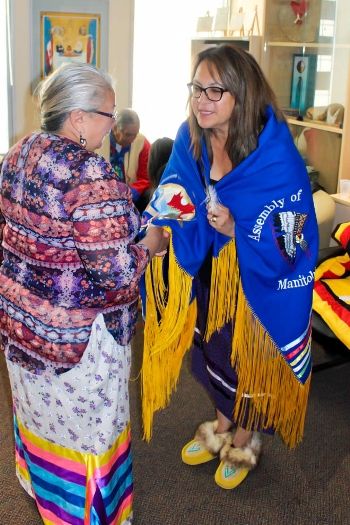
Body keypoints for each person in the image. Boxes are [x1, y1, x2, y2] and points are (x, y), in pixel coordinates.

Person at [140, 44, 319, 490]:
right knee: (211, 354)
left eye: (214, 90)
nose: (201, 98)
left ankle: (245, 438)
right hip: (208, 274)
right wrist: (157, 230)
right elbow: (174, 186)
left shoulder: (273, 155)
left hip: (257, 286)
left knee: (248, 362)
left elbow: (293, 235)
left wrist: (240, 229)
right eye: (197, 87)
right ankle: (221, 425)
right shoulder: (191, 135)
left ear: (241, 94)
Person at [0, 62, 168, 524]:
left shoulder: (19, 153)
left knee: (42, 421)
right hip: (78, 344)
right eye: (108, 115)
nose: (113, 126)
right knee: (90, 434)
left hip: (24, 327)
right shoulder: (91, 173)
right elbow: (116, 279)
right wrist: (151, 244)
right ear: (78, 118)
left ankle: (49, 496)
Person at [110, 108, 151, 212]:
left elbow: (146, 176)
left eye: (135, 134)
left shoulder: (142, 143)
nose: (132, 139)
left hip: (132, 195)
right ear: (115, 128)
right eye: (128, 135)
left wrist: (132, 191)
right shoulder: (100, 141)